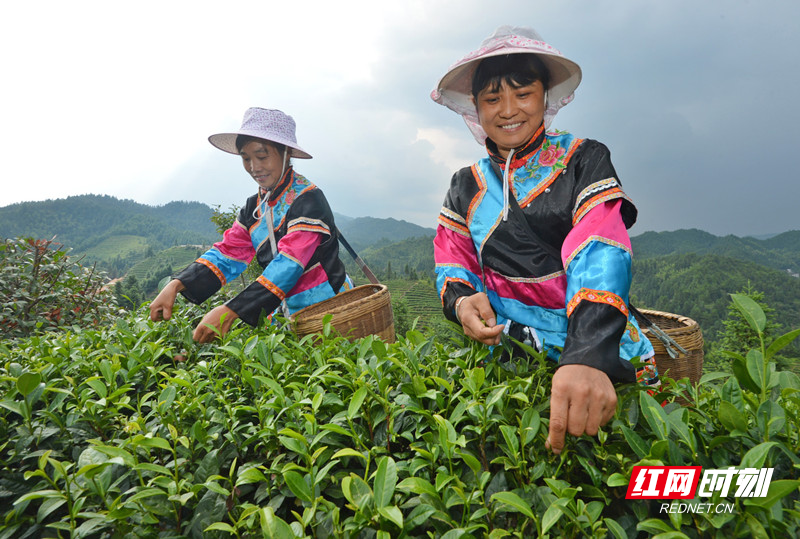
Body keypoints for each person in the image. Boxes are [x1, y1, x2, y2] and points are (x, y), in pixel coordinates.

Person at [430, 26, 659, 454]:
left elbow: (600, 247)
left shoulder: (583, 160)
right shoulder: (467, 185)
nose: (508, 110)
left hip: (590, 348)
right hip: (509, 351)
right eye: (492, 98)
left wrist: (588, 354)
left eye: (523, 93)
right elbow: (452, 259)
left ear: (545, 97)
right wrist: (461, 301)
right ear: (476, 109)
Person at [150, 107, 351, 342]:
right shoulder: (254, 207)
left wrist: (231, 310)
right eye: (246, 158)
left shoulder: (308, 200)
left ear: (286, 153)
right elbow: (228, 253)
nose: (254, 167)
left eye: (262, 156)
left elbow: (289, 265)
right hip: (283, 316)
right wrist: (176, 284)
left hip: (328, 311)